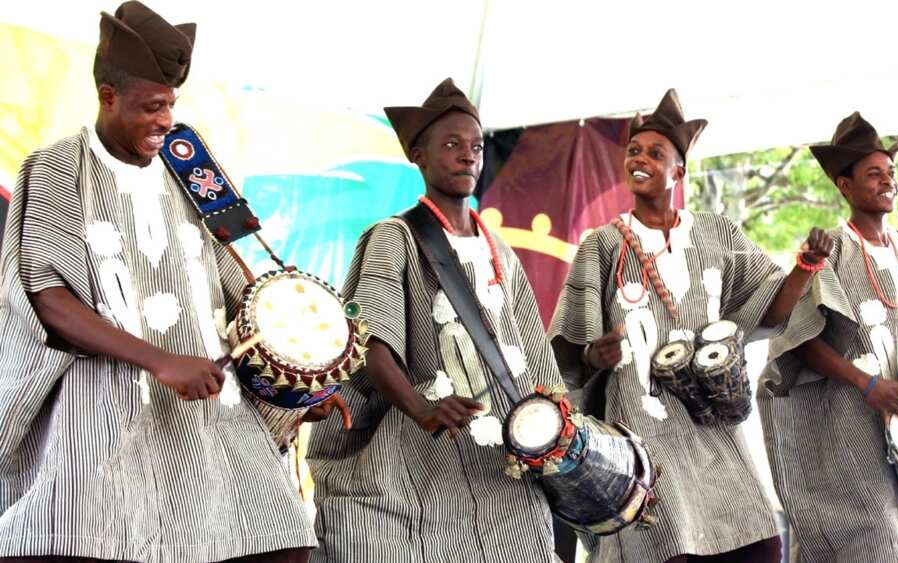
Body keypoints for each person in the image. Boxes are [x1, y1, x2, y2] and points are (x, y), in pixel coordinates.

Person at [0, 2, 315, 561]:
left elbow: (234, 288)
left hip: (212, 413)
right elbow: (48, 299)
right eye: (151, 106)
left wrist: (291, 378)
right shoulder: (56, 167)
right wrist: (159, 361)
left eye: (171, 104)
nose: (166, 121)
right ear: (107, 96)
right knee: (79, 534)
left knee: (280, 535)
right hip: (100, 409)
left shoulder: (192, 170)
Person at [548, 88, 831, 562]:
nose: (639, 159)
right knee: (668, 543)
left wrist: (805, 266)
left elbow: (772, 311)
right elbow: (567, 353)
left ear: (679, 171)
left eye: (655, 153)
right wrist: (596, 354)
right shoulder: (601, 246)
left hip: (712, 424)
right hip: (641, 428)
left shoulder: (717, 234)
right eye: (633, 151)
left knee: (760, 545)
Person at [306, 78, 563, 562]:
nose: (468, 156)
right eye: (451, 145)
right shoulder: (393, 237)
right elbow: (370, 345)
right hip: (416, 472)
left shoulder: (499, 252)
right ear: (419, 156)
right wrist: (422, 409)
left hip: (503, 478)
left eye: (476, 147)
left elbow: (537, 362)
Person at [757, 111, 898, 562]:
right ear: (845, 186)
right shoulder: (832, 249)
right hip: (851, 428)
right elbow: (799, 339)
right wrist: (868, 386)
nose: (888, 182)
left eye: (891, 173)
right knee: (882, 545)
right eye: (873, 174)